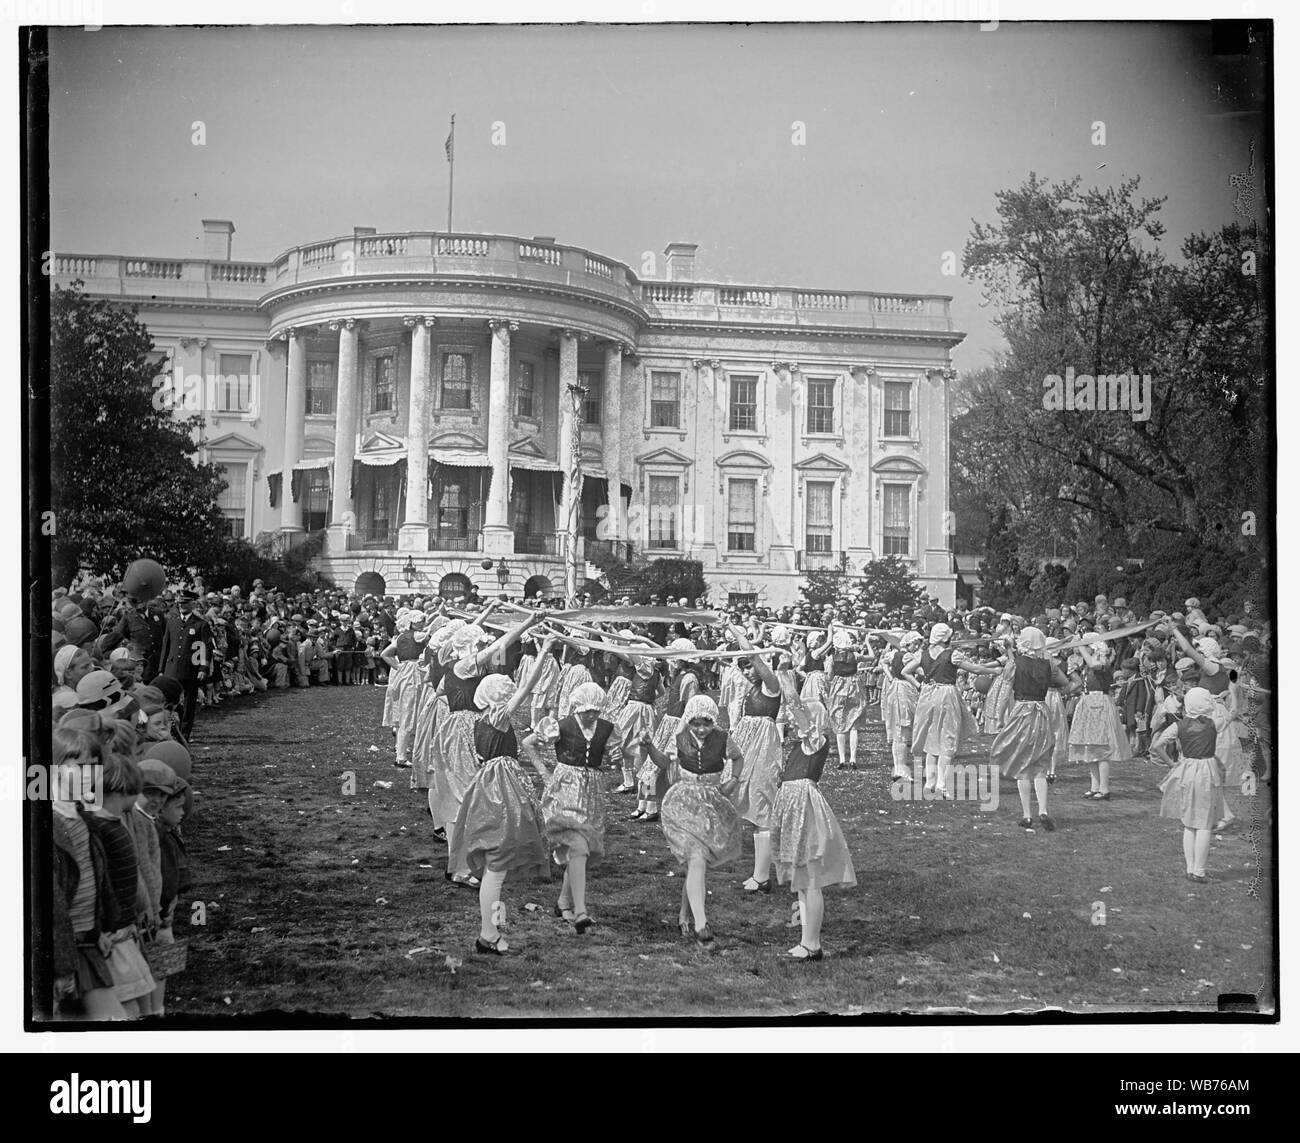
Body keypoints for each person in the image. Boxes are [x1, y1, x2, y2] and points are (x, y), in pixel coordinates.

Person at [449, 646, 558, 955]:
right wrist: (546, 651)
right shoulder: (497, 717)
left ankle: (491, 930)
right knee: (497, 863)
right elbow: (526, 687)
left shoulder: (478, 719)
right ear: (500, 699)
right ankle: (488, 933)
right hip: (500, 788)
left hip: (488, 784)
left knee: (497, 865)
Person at [640, 695, 744, 950]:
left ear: (713, 721)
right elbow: (664, 762)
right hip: (683, 803)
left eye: (706, 724)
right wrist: (648, 746)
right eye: (696, 724)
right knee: (696, 858)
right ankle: (701, 924)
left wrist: (734, 779)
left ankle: (684, 914)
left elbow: (738, 757)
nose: (700, 729)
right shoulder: (679, 740)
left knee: (694, 866)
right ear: (689, 721)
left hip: (710, 804)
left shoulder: (723, 739)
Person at [769, 690, 856, 960]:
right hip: (793, 807)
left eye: (801, 719)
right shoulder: (801, 745)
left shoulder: (815, 741)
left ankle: (812, 943)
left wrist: (783, 673)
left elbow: (796, 707)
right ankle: (807, 941)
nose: (795, 723)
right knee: (802, 880)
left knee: (810, 879)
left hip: (804, 808)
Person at [533, 682, 621, 933]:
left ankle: (563, 902)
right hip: (566, 788)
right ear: (576, 708)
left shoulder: (606, 728)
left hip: (592, 790)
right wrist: (544, 772)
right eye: (587, 712)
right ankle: (580, 910)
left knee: (582, 849)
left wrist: (618, 755)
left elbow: (619, 752)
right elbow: (529, 743)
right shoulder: (560, 726)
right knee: (577, 846)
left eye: (596, 711)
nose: (592, 716)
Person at [988, 627, 1071, 831]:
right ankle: (1043, 810)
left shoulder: (1014, 664)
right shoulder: (1048, 664)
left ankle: (1026, 816)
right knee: (1041, 765)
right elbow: (1065, 683)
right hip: (1042, 712)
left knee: (1022, 766)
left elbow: (1005, 691)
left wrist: (999, 718)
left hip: (1022, 713)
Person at [727, 625, 787, 894]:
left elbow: (754, 657)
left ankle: (762, 876)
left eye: (749, 667)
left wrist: (735, 631)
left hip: (764, 749)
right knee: (751, 805)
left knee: (762, 804)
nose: (747, 671)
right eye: (742, 667)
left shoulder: (772, 686)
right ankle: (759, 874)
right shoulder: (749, 691)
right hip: (748, 746)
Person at [911, 623, 1001, 797]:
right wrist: (995, 669)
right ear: (946, 638)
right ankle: (941, 786)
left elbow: (907, 670)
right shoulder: (952, 655)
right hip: (946, 695)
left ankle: (930, 783)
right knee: (947, 739)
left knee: (931, 738)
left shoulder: (923, 654)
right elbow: (975, 668)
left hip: (928, 695)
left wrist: (923, 679)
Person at [1152, 688, 1225, 883]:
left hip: (1187, 770)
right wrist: (1226, 696)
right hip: (1206, 771)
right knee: (1204, 824)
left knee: (1189, 822)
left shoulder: (1178, 726)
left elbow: (1157, 745)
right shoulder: (1214, 724)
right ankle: (1199, 870)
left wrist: (1172, 763)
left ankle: (1190, 868)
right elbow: (1229, 714)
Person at [635, 639, 700, 824]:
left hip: (677, 725)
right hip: (668, 722)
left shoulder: (689, 678)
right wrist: (644, 641)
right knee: (650, 765)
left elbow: (691, 708)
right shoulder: (679, 674)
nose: (669, 660)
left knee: (660, 766)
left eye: (674, 656)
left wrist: (682, 732)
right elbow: (662, 651)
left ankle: (652, 807)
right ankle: (644, 804)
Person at [1069, 633, 1132, 801]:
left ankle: (1104, 788)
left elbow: (1093, 663)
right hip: (1089, 702)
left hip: (1099, 704)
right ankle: (1094, 786)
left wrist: (1080, 645)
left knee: (1101, 747)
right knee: (1089, 746)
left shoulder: (1103, 661)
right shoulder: (1090, 663)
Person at [157, 590, 213, 740]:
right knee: (169, 702)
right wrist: (161, 669)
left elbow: (205, 648)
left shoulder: (201, 624)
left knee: (189, 703)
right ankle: (168, 731)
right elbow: (166, 646)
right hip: (172, 668)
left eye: (185, 603)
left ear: (192, 604)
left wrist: (203, 668)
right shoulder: (172, 622)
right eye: (180, 603)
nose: (182, 606)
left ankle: (185, 733)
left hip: (190, 669)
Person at [883, 631, 924, 780]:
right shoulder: (907, 657)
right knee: (903, 728)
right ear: (908, 643)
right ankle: (902, 770)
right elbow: (920, 671)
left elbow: (883, 662)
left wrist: (890, 677)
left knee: (898, 730)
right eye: (915, 644)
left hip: (895, 688)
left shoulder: (893, 654)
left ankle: (899, 768)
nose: (917, 646)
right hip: (904, 691)